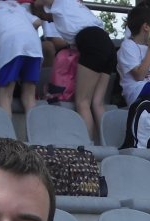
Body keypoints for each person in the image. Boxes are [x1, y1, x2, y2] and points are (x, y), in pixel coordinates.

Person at [33, 0, 116, 140]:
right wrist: (41, 13)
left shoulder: (60, 2)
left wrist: (33, 4)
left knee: (82, 102)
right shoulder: (71, 7)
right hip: (107, 43)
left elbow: (38, 4)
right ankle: (108, 144)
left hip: (91, 43)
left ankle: (88, 148)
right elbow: (48, 16)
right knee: (97, 102)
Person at [0, 0, 43, 115]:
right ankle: (35, 131)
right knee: (29, 95)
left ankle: (6, 133)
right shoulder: (13, 4)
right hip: (33, 44)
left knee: (6, 94)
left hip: (10, 43)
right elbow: (37, 22)